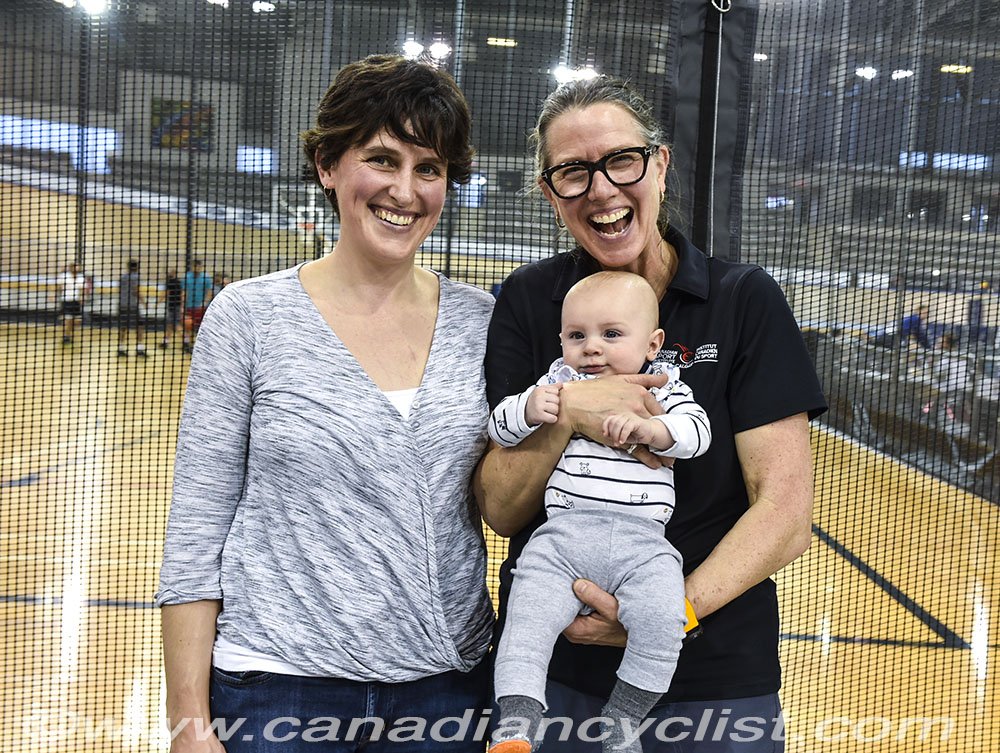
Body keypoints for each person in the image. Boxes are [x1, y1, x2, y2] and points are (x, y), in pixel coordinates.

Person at [474, 76, 827, 752]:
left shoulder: (742, 298)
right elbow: (499, 506)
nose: (601, 190)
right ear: (552, 195)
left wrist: (669, 611)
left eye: (621, 162)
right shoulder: (529, 299)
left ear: (659, 165)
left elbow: (784, 513)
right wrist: (574, 409)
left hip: (719, 681)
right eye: (573, 173)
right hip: (557, 672)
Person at [156, 54, 494, 753]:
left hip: (446, 689)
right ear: (327, 164)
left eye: (428, 168)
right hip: (278, 687)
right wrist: (189, 720)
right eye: (382, 158)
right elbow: (197, 527)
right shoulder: (248, 317)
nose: (405, 190)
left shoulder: (484, 322)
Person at [488, 271, 711, 753]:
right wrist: (530, 407)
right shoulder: (558, 382)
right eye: (577, 336)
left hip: (644, 546)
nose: (591, 348)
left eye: (611, 335)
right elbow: (500, 430)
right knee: (526, 620)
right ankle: (515, 723)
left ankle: (623, 718)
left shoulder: (664, 388)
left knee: (665, 620)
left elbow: (698, 434)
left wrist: (654, 431)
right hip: (562, 541)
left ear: (652, 344)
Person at [180, 259, 213, 354]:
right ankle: (186, 343)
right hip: (189, 306)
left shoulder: (206, 278)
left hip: (201, 307)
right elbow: (184, 292)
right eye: (195, 266)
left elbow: (209, 292)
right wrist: (183, 305)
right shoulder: (187, 277)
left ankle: (197, 345)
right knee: (188, 325)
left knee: (200, 327)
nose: (197, 268)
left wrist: (205, 303)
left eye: (198, 266)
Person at [117, 259, 146, 357]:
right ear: (136, 267)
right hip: (132, 305)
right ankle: (140, 349)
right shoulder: (135, 277)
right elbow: (136, 291)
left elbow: (120, 290)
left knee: (123, 327)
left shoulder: (123, 277)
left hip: (122, 304)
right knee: (140, 326)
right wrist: (144, 302)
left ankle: (121, 348)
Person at [56, 261, 87, 344]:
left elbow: (82, 289)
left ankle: (69, 334)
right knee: (68, 319)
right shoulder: (64, 276)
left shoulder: (81, 277)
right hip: (66, 300)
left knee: (76, 321)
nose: (76, 268)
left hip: (76, 301)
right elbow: (59, 287)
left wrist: (83, 297)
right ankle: (66, 336)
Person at [160, 268, 183, 349]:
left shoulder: (169, 282)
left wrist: (158, 302)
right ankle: (166, 341)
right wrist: (182, 306)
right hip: (177, 305)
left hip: (172, 306)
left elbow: (166, 293)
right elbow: (182, 294)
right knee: (170, 325)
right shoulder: (179, 282)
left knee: (175, 324)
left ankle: (185, 341)